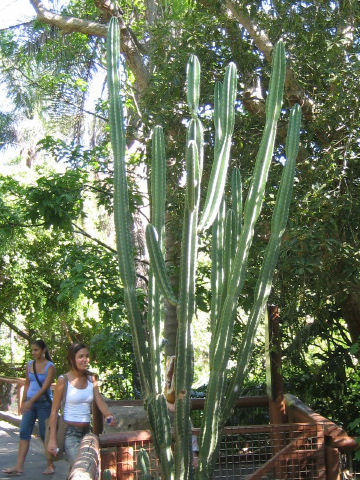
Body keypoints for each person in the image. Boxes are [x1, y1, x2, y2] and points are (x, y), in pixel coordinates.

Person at [47, 343, 116, 467]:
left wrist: (108, 415)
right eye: (81, 356)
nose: (85, 360)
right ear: (72, 359)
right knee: (81, 468)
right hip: (69, 433)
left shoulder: (91, 378)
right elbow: (54, 411)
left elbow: (99, 400)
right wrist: (52, 440)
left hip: (87, 433)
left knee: (83, 469)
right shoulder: (63, 380)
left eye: (87, 356)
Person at [2, 339, 56, 476]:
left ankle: (50, 465)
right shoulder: (30, 365)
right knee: (24, 432)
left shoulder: (50, 366)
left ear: (43, 350)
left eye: (36, 350)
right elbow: (27, 383)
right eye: (32, 350)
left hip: (44, 404)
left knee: (45, 434)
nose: (33, 352)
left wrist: (31, 401)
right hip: (29, 404)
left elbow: (45, 388)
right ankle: (19, 466)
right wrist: (24, 400)